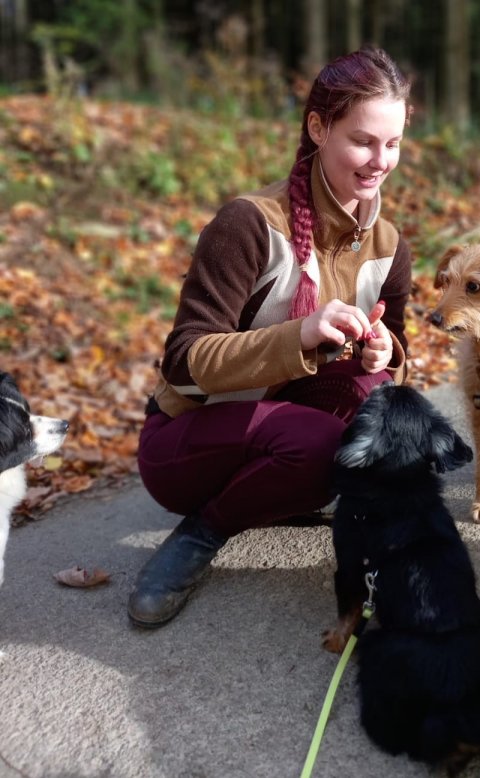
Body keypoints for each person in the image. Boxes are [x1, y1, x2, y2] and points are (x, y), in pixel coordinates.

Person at [127, 47, 414, 628]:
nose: (379, 161)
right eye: (362, 141)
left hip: (281, 420)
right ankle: (203, 531)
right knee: (319, 445)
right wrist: (300, 333)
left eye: (393, 144)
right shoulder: (249, 224)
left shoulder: (390, 245)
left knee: (373, 399)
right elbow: (183, 363)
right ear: (318, 127)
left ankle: (280, 489)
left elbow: (399, 358)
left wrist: (387, 354)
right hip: (186, 442)